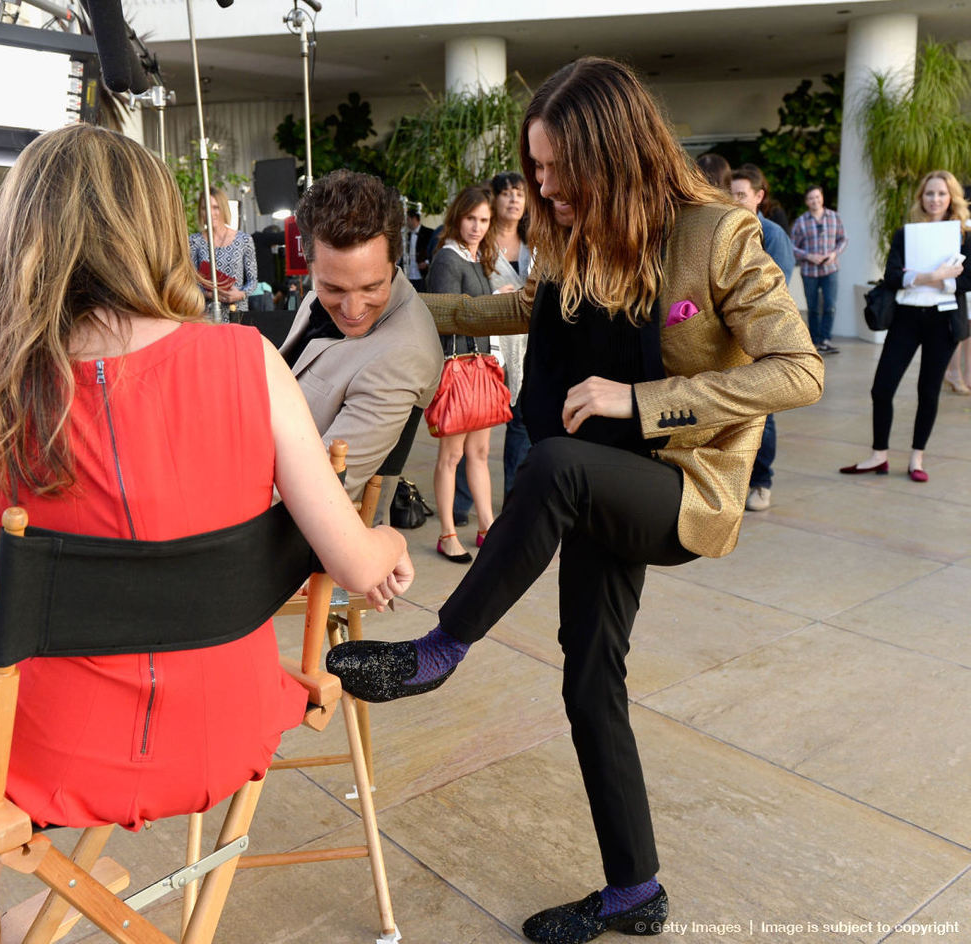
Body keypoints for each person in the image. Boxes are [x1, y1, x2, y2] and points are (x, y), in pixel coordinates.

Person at [326, 57, 823, 944]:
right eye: (537, 167)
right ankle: (636, 895)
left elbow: (800, 369)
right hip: (594, 482)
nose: (541, 188)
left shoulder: (715, 236)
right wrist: (391, 300)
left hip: (672, 486)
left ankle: (441, 650)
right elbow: (520, 308)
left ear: (613, 152)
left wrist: (642, 401)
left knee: (549, 463)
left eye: (557, 169)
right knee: (591, 683)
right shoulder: (578, 235)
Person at [0, 126, 414, 944]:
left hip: (57, 756)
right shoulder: (247, 361)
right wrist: (389, 550)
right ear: (152, 230)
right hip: (228, 729)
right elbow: (356, 564)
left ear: (19, 239)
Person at [278, 169, 444, 502]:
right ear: (310, 267)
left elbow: (321, 491)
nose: (353, 309)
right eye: (333, 287)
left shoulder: (404, 356)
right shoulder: (314, 299)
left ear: (395, 261)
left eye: (372, 287)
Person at [839, 170, 971, 483]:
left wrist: (927, 278)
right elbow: (893, 275)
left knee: (928, 390)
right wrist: (935, 275)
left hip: (943, 320)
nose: (935, 199)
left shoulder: (965, 237)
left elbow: (968, 279)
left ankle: (916, 459)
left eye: (941, 193)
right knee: (882, 387)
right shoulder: (906, 234)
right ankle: (878, 455)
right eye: (929, 193)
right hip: (907, 318)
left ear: (951, 197)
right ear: (921, 198)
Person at [452, 172, 534, 528]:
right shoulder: (480, 244)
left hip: (529, 347)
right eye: (507, 193)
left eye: (520, 193)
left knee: (522, 426)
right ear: (494, 199)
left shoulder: (536, 241)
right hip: (488, 348)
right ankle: (461, 502)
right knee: (471, 424)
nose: (514, 200)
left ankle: (515, 500)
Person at [426, 184, 501, 563]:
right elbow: (445, 315)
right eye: (471, 218)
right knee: (451, 455)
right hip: (456, 366)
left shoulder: (476, 256)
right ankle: (447, 533)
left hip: (480, 365)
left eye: (484, 220)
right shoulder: (448, 259)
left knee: (480, 452)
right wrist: (491, 305)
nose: (477, 226)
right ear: (458, 217)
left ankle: (487, 525)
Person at [731, 163, 795, 512]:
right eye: (730, 194)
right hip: (726, 339)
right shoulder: (721, 230)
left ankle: (762, 482)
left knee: (762, 415)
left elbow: (777, 289)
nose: (734, 200)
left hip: (760, 338)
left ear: (759, 196)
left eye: (741, 194)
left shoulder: (772, 235)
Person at [790, 184, 848, 354]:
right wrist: (808, 256)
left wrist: (834, 254)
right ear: (806, 202)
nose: (814, 201)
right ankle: (814, 342)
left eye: (817, 197)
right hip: (809, 272)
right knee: (813, 307)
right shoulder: (801, 222)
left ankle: (825, 340)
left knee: (830, 305)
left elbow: (843, 239)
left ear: (822, 197)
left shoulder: (834, 217)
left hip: (831, 269)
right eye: (810, 198)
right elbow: (792, 247)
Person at [188, 184, 258, 318]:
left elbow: (253, 280)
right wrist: (210, 294)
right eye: (205, 208)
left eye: (215, 207)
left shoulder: (244, 240)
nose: (210, 213)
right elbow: (190, 282)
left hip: (237, 311)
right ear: (200, 212)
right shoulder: (194, 241)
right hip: (207, 314)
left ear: (223, 208)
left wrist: (241, 294)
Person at [402, 207, 434, 291]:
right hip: (409, 274)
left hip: (423, 274)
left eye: (408, 219)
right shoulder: (407, 235)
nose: (406, 223)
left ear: (414, 219)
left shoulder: (429, 233)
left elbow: (435, 251)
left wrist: (427, 262)